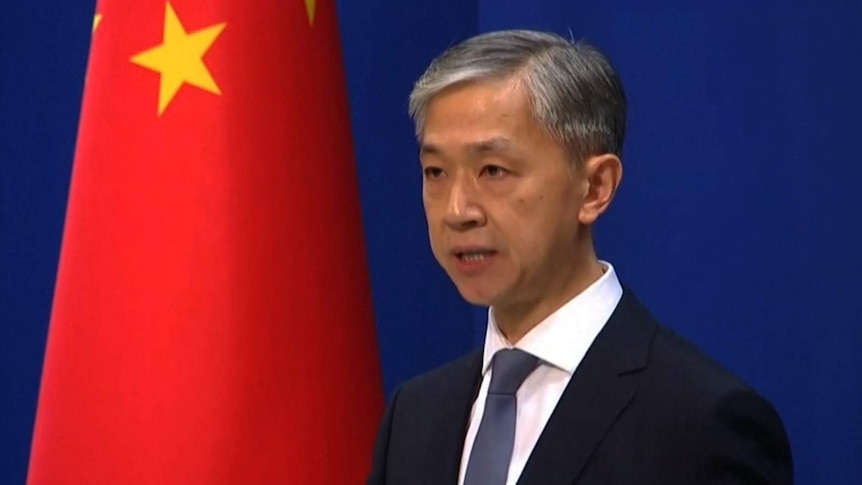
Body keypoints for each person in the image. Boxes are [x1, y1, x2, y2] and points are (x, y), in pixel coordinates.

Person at [367, 29, 792, 485]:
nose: (457, 211)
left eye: (493, 170)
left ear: (594, 188)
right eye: (436, 172)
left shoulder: (699, 423)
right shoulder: (415, 415)